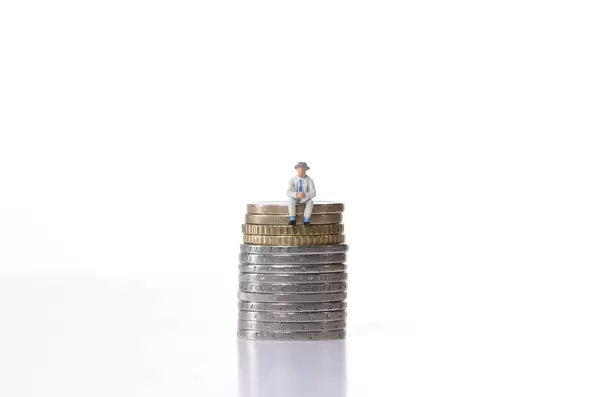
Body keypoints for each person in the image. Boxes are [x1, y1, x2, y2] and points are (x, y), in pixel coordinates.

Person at [287, 162, 316, 226]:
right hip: (296, 198)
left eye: (303, 169)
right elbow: (288, 192)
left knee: (310, 202)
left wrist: (305, 195)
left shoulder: (309, 180)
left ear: (305, 170)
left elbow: (313, 193)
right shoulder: (292, 180)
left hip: (305, 198)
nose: (301, 171)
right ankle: (292, 218)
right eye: (299, 169)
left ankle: (306, 220)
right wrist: (296, 194)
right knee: (290, 200)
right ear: (297, 169)